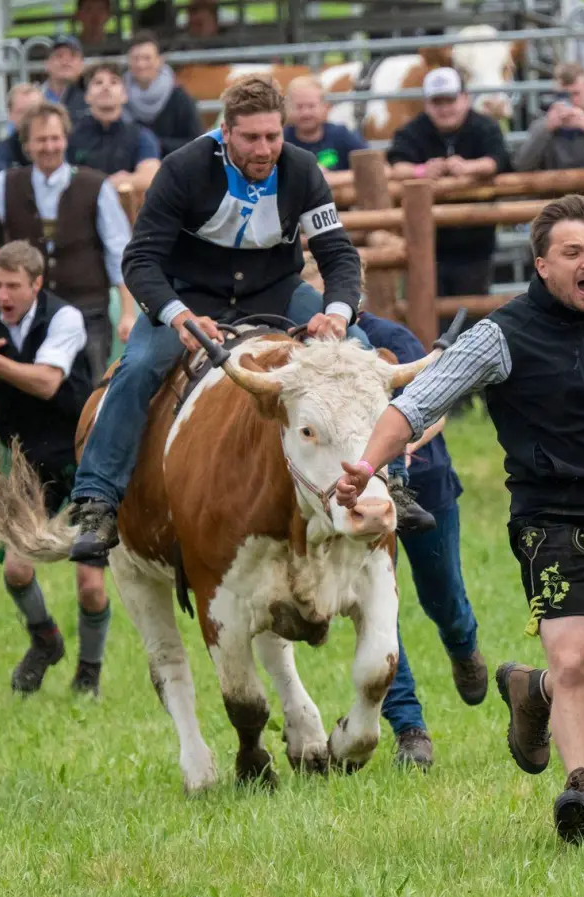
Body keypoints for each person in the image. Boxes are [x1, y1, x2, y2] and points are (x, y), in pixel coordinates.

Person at [334, 195, 584, 844]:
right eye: (574, 253)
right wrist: (364, 466)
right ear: (543, 264)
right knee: (577, 659)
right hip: (549, 523)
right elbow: (415, 406)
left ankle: (534, 690)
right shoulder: (503, 334)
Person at [65, 75, 431, 561]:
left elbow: (338, 255)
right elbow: (140, 261)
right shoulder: (182, 170)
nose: (264, 149)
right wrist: (178, 317)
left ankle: (395, 483)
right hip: (190, 298)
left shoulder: (301, 170)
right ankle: (96, 502)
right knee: (136, 370)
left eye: (273, 137)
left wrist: (337, 315)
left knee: (361, 353)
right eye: (251, 138)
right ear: (225, 132)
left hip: (277, 292)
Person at [0, 241, 110, 697]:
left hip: (86, 460)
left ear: (36, 284)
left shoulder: (66, 318)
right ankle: (45, 640)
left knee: (90, 584)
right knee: (15, 569)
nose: (3, 295)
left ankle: (88, 676)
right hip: (31, 467)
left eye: (13, 285)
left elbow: (49, 383)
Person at [356, 309, 489, 771]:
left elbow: (437, 408)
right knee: (374, 608)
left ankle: (462, 643)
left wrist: (401, 446)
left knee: (443, 595)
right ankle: (409, 728)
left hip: (424, 484)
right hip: (356, 497)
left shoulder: (391, 338)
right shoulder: (306, 346)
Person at [0, 101, 136, 380]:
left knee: (91, 397)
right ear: (27, 145)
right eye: (41, 140)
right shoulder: (6, 184)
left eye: (55, 138)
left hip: (89, 312)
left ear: (65, 140)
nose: (49, 147)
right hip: (30, 315)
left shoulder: (96, 186)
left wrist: (128, 312)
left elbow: (118, 252)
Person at [386, 67, 513, 300]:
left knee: (473, 311)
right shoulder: (412, 130)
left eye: (450, 100)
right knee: (427, 310)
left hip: (476, 242)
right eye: (437, 102)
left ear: (465, 99)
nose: (444, 108)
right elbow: (396, 164)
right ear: (426, 104)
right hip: (425, 246)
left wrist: (468, 168)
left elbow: (497, 160)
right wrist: (421, 170)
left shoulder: (484, 126)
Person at [67, 63, 161, 184]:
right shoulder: (70, 136)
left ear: (124, 95)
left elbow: (150, 178)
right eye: (98, 82)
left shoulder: (142, 136)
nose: (106, 87)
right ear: (87, 96)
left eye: (114, 82)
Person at [125, 33, 201, 158]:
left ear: (159, 61)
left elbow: (196, 141)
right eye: (135, 59)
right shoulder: (118, 95)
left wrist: (156, 144)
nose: (141, 64)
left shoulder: (179, 97)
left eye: (147, 58)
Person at [283, 75, 368, 172]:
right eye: (299, 107)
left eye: (311, 106)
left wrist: (332, 179)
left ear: (326, 107)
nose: (305, 113)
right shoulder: (282, 140)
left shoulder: (341, 134)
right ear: (287, 109)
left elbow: (374, 168)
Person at [0, 84, 42, 177]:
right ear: (10, 114)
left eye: (34, 111)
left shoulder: (58, 145)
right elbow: (0, 185)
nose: (28, 117)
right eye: (22, 111)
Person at [39, 36, 89, 123]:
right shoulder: (35, 98)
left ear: (82, 65)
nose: (65, 61)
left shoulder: (93, 99)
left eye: (73, 56)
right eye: (59, 56)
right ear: (47, 64)